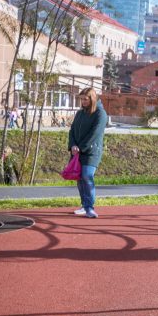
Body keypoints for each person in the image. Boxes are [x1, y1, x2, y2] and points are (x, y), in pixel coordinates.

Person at [68, 87, 108, 219]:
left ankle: (90, 207)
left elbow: (95, 134)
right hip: (77, 151)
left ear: (92, 98)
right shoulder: (80, 113)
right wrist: (73, 145)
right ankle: (84, 205)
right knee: (80, 178)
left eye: (86, 99)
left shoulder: (100, 114)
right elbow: (72, 130)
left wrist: (81, 147)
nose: (83, 102)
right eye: (82, 99)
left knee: (87, 176)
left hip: (91, 152)